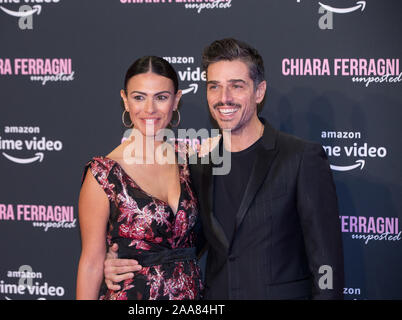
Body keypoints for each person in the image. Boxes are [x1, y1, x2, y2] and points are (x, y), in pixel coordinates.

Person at [104, 39, 344, 300]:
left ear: (259, 91)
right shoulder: (198, 166)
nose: (224, 98)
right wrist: (120, 262)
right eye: (214, 87)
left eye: (236, 86)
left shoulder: (299, 158)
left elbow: (326, 265)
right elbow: (179, 246)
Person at [76, 56, 203, 300]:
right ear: (125, 100)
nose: (150, 109)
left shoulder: (190, 161)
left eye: (161, 97)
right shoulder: (104, 174)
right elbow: (91, 263)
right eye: (139, 97)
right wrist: (106, 261)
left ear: (176, 101)